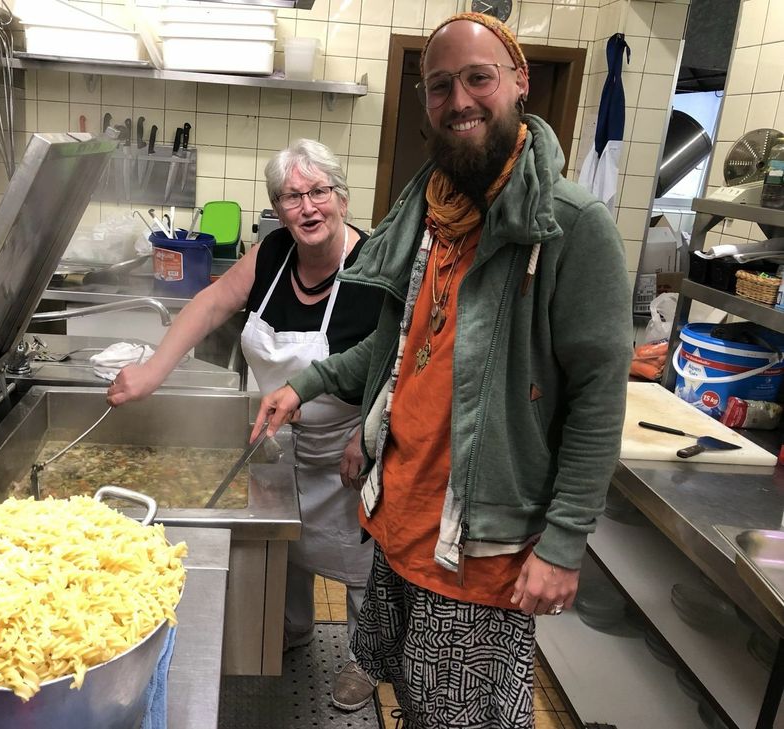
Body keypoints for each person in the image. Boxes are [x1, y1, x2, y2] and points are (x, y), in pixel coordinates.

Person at [253, 13, 632, 729]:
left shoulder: (571, 226)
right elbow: (399, 353)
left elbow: (596, 398)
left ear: (520, 82)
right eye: (439, 86)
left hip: (479, 546)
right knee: (415, 698)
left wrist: (563, 542)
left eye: (478, 78)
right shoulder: (430, 214)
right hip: (403, 517)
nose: (458, 99)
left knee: (462, 718)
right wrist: (305, 387)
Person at [107, 139, 385, 712]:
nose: (307, 208)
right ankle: (294, 629)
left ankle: (366, 659)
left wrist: (369, 433)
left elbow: (402, 359)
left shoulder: (374, 267)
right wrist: (153, 372)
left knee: (362, 567)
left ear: (342, 197)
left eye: (318, 192)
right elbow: (208, 304)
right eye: (291, 197)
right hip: (275, 434)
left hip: (351, 446)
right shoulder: (273, 254)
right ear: (277, 208)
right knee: (282, 544)